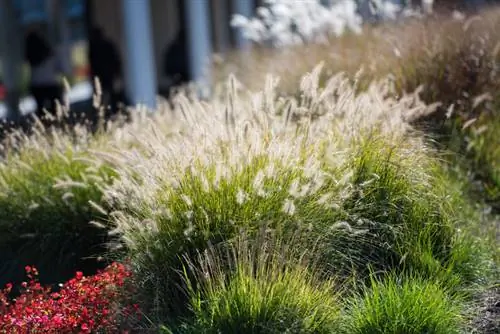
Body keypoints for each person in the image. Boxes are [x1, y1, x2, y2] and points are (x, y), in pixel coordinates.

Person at [24, 31, 64, 119]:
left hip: (36, 85)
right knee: (56, 109)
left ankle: (44, 125)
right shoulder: (50, 53)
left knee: (41, 110)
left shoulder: (31, 55)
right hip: (51, 83)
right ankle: (57, 124)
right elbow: (59, 68)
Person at [88, 26, 128, 115]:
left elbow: (115, 60)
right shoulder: (103, 45)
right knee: (109, 94)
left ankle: (107, 111)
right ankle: (112, 111)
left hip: (104, 75)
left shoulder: (96, 47)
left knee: (105, 95)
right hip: (106, 75)